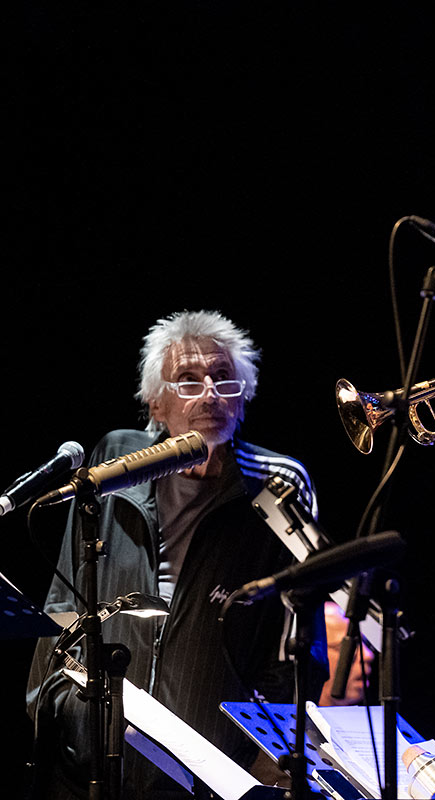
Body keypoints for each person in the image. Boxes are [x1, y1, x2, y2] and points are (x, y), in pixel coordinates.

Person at [26, 310, 323, 799]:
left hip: (210, 770)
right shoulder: (115, 459)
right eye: (188, 381)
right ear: (155, 403)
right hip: (91, 760)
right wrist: (54, 709)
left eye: (223, 379)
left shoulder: (276, 484)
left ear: (244, 395)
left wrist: (259, 750)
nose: (209, 394)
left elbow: (295, 643)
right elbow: (65, 602)